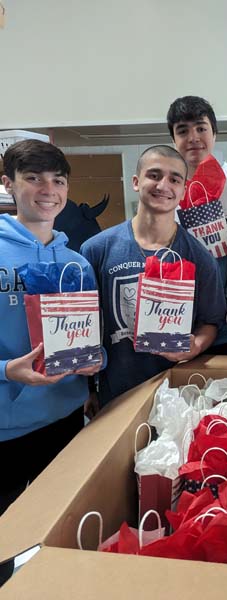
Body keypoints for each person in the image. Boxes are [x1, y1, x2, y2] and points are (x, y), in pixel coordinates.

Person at [0, 139, 101, 516]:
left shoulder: (77, 262)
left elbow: (90, 335)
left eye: (58, 181)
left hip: (66, 423)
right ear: (8, 183)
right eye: (34, 178)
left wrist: (96, 361)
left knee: (60, 530)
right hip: (6, 429)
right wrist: (8, 371)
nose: (49, 191)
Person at [81, 145, 226, 407]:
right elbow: (86, 324)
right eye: (154, 175)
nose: (163, 185)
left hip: (178, 397)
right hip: (115, 394)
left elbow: (211, 322)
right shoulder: (97, 249)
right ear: (136, 182)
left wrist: (196, 345)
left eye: (174, 179)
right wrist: (88, 390)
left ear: (183, 190)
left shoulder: (199, 257)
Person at [167, 95, 227, 352]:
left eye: (201, 128)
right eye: (183, 131)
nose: (193, 137)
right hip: (186, 325)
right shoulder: (168, 194)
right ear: (174, 140)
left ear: (215, 133)